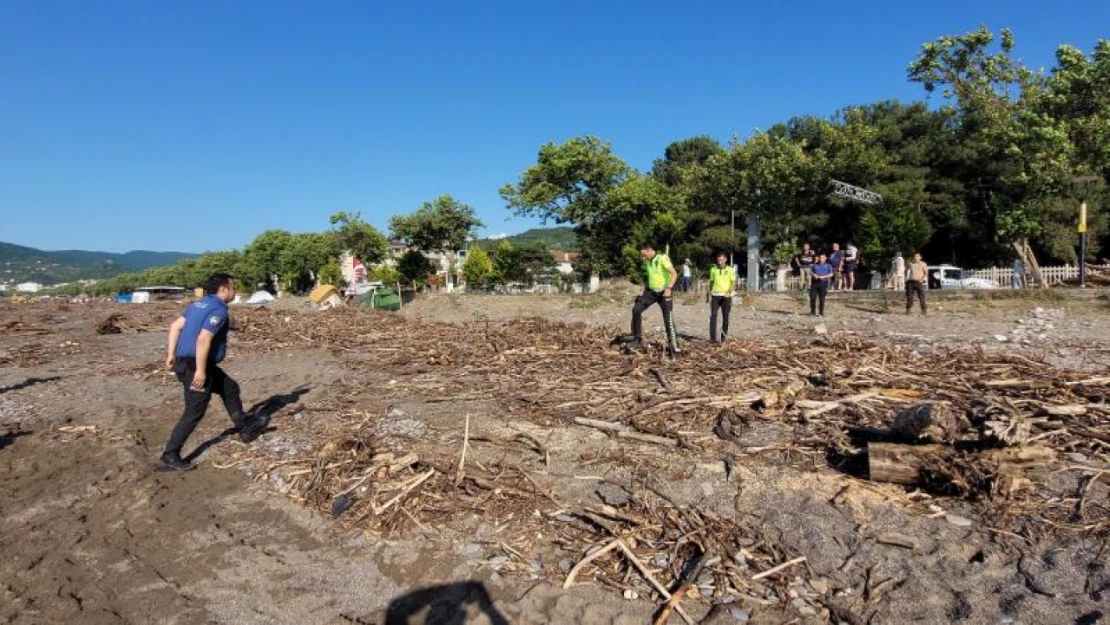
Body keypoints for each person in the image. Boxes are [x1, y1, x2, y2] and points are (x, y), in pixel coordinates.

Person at [158, 273, 265, 472]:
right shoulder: (219, 310)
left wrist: (171, 354)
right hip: (196, 365)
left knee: (229, 387)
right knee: (194, 410)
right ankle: (170, 456)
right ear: (223, 289)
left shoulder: (198, 304)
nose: (234, 291)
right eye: (233, 287)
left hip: (185, 361)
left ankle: (243, 425)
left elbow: (174, 327)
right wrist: (200, 371)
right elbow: (203, 339)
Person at [630, 244, 680, 356]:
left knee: (668, 320)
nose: (643, 258)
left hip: (664, 293)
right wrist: (643, 294)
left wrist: (669, 288)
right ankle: (637, 339)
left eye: (644, 255)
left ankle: (675, 347)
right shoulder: (648, 262)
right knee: (636, 310)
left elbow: (674, 273)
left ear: (649, 250)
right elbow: (652, 277)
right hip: (652, 292)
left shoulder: (662, 258)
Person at [706, 252, 736, 343]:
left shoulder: (730, 270)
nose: (720, 262)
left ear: (725, 259)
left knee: (725, 318)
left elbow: (733, 283)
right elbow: (711, 282)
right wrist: (708, 294)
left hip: (726, 297)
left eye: (721, 260)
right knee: (713, 315)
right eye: (718, 260)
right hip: (715, 295)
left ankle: (723, 339)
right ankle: (712, 339)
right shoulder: (713, 270)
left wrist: (729, 292)